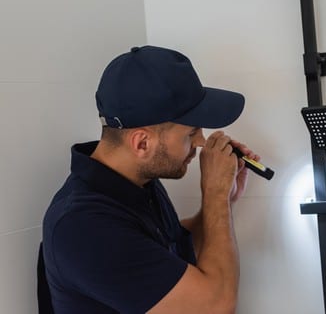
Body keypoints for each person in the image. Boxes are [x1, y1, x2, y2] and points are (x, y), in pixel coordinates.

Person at [41, 45, 258, 313]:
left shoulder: (138, 181)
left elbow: (173, 257)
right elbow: (215, 306)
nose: (201, 141)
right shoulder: (84, 226)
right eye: (191, 132)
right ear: (142, 143)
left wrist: (224, 199)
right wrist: (214, 194)